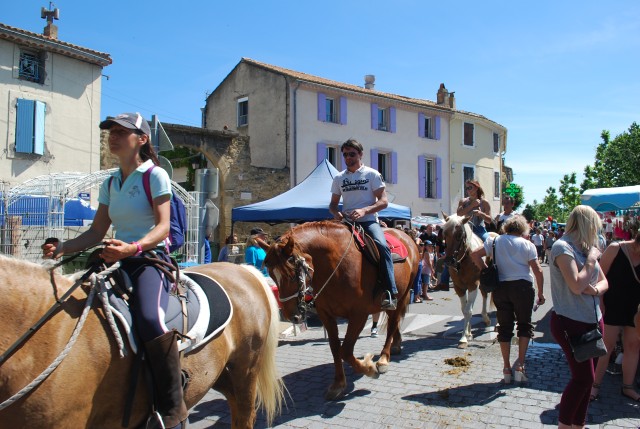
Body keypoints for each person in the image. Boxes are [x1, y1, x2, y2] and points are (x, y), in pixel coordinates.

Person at [41, 112, 188, 428]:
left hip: (149, 261)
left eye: (122, 131)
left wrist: (133, 247)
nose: (114, 136)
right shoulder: (111, 182)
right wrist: (63, 247)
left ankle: (173, 410)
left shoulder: (155, 176)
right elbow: (96, 232)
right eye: (111, 131)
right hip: (116, 259)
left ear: (142, 139)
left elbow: (163, 228)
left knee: (150, 318)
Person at [548, 205, 608, 429]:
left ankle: (578, 425)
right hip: (570, 322)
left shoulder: (586, 247)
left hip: (592, 320)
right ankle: (565, 426)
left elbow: (604, 282)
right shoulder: (563, 247)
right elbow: (576, 285)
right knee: (583, 379)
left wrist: (594, 290)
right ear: (588, 224)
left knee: (587, 380)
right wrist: (591, 260)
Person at [470, 215, 545, 383]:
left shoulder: (495, 242)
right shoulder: (528, 244)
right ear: (523, 229)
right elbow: (538, 270)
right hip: (523, 287)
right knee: (524, 325)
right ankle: (520, 365)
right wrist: (541, 292)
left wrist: (485, 269)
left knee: (505, 327)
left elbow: (475, 254)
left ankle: (506, 368)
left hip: (501, 287)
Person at [329, 139, 397, 310]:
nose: (348, 157)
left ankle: (390, 292)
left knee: (382, 246)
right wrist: (336, 213)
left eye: (352, 154)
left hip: (368, 222)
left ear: (360, 154)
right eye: (345, 154)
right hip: (346, 222)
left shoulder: (372, 174)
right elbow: (332, 204)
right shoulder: (339, 178)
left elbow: (383, 202)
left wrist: (365, 211)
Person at [590, 231, 640, 402]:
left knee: (633, 346)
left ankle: (628, 386)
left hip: (636, 309)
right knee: (606, 346)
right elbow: (599, 276)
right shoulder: (615, 249)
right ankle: (594, 386)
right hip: (611, 305)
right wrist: (600, 301)